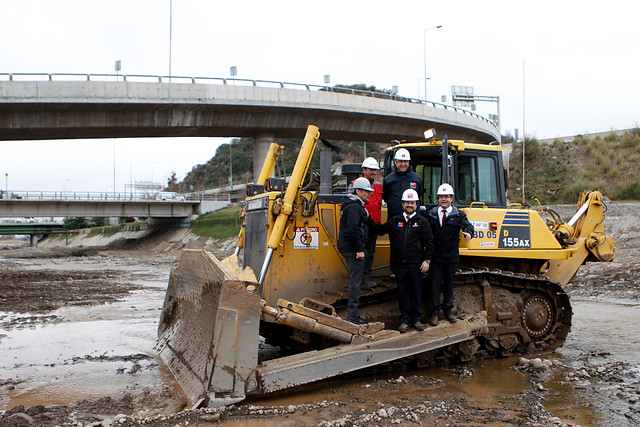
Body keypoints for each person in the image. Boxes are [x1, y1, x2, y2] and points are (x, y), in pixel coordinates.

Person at [371, 189, 433, 333]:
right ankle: (404, 320)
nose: (409, 205)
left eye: (412, 202)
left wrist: (427, 260)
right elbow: (379, 230)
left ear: (416, 204)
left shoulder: (422, 222)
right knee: (403, 292)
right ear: (403, 204)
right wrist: (367, 217)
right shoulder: (395, 220)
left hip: (416, 264)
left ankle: (416, 319)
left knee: (416, 292)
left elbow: (430, 243)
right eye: (407, 202)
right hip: (399, 264)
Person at [426, 183, 474, 326]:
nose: (444, 199)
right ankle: (434, 313)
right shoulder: (432, 214)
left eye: (447, 196)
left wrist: (469, 234)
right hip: (435, 257)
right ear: (438, 199)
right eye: (441, 197)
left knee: (448, 285)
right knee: (434, 285)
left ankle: (448, 311)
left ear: (451, 198)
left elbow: (468, 226)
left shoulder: (458, 215)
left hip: (451, 257)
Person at [337, 177, 374, 325]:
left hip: (350, 247)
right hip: (353, 250)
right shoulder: (354, 208)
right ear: (358, 191)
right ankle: (353, 316)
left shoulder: (355, 206)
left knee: (355, 281)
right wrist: (359, 249)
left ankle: (353, 314)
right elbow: (353, 230)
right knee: (356, 282)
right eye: (367, 191)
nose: (369, 194)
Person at [359, 157, 383, 287]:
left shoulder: (378, 185)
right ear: (364, 170)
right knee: (360, 251)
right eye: (371, 169)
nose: (373, 172)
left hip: (373, 224)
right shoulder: (355, 184)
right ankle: (357, 278)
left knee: (370, 252)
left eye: (375, 170)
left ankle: (366, 278)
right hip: (361, 224)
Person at [382, 148, 424, 219]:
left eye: (405, 161)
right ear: (396, 162)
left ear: (409, 162)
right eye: (400, 161)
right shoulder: (389, 179)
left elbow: (419, 193)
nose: (403, 164)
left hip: (413, 219)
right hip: (394, 218)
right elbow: (385, 196)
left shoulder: (416, 179)